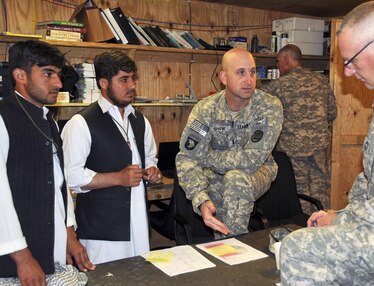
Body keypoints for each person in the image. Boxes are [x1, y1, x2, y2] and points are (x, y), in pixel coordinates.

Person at [279, 2, 374, 285]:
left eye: (351, 61)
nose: (347, 72)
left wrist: (343, 222)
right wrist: (341, 213)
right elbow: (371, 178)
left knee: (299, 250)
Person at [0, 40, 95, 285]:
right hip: (11, 262)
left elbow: (57, 183)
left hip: (48, 251)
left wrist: (69, 234)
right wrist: (22, 258)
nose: (58, 83)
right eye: (47, 74)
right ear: (20, 75)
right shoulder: (3, 118)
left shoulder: (48, 121)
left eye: (58, 75)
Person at [61, 50, 161, 264]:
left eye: (133, 78)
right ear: (104, 83)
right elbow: (70, 176)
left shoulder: (141, 120)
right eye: (124, 80)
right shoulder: (80, 123)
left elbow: (150, 158)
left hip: (139, 224)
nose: (132, 85)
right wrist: (117, 178)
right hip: (101, 233)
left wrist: (152, 171)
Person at [176, 48, 283, 237]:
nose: (249, 79)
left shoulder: (268, 106)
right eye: (241, 72)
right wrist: (200, 198)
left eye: (252, 72)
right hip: (214, 177)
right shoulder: (206, 109)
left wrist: (206, 157)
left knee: (235, 180)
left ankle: (234, 247)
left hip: (258, 172)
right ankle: (227, 251)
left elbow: (252, 159)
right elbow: (187, 158)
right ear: (224, 77)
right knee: (216, 199)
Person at [261, 44, 337, 213]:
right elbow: (332, 113)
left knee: (298, 190)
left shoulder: (279, 85)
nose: (279, 67)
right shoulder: (321, 81)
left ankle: (302, 227)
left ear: (287, 60)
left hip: (293, 149)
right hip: (319, 147)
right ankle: (322, 225)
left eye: (279, 62)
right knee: (320, 187)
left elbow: (259, 108)